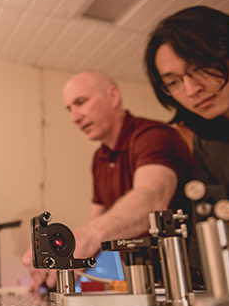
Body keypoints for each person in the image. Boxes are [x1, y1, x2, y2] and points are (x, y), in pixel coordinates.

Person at [22, 70, 192, 292]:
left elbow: (152, 199)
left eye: (81, 102)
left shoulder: (153, 136)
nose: (74, 117)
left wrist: (83, 239)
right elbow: (96, 227)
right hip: (142, 285)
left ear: (113, 96)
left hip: (186, 282)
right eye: (69, 109)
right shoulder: (99, 158)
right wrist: (62, 265)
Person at [145, 5, 229, 231]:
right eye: (174, 82)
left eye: (199, 67)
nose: (191, 89)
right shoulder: (206, 145)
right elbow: (205, 225)